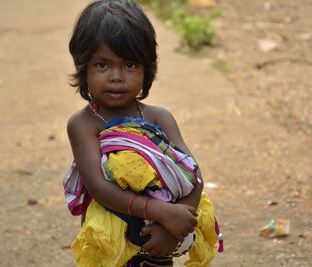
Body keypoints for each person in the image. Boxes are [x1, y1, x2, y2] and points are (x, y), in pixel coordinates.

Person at [63, 1, 222, 266]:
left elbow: (192, 175)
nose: (116, 77)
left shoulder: (158, 117)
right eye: (102, 65)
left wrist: (175, 224)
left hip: (159, 242)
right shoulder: (84, 124)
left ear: (147, 69)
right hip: (110, 242)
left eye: (130, 65)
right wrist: (158, 210)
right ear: (83, 67)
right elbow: (100, 188)